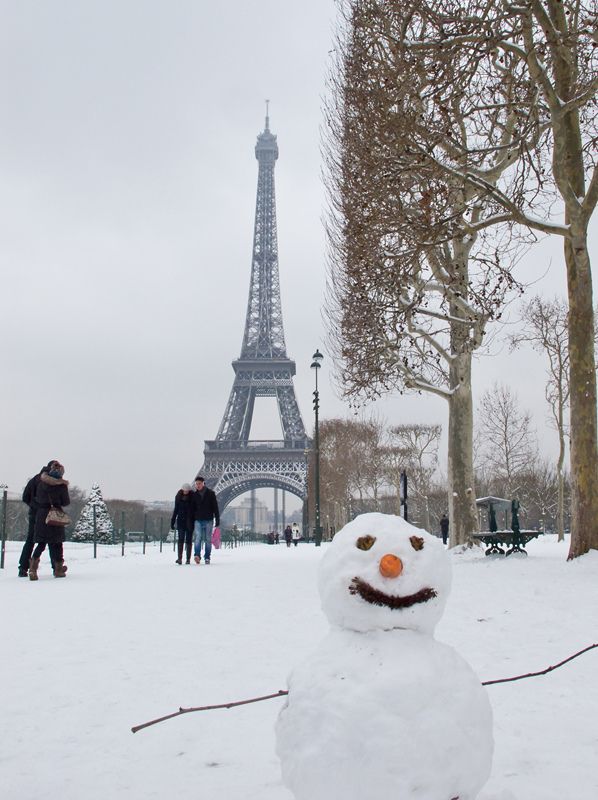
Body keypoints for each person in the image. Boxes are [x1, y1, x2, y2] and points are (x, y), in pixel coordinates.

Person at [29, 462, 70, 580]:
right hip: (55, 514)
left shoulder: (41, 484)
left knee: (41, 543)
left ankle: (32, 568)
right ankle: (58, 569)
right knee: (57, 543)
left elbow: (36, 498)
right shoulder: (61, 486)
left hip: (42, 515)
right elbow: (65, 502)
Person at [18, 460, 57, 577]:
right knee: (52, 540)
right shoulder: (52, 481)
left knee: (30, 540)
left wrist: (34, 506)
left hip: (34, 514)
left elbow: (25, 497)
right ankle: (56, 567)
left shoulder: (35, 479)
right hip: (49, 514)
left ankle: (23, 568)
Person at [191, 476, 220, 565]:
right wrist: (192, 519)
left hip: (208, 520)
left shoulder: (211, 494)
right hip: (198, 519)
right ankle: (197, 555)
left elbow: (215, 507)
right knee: (198, 538)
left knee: (208, 539)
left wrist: (217, 519)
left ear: (203, 483)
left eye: (199, 483)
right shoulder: (194, 495)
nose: (198, 485)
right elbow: (192, 509)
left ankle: (207, 557)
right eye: (196, 484)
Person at [171, 483, 194, 564]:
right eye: (184, 490)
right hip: (181, 521)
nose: (186, 492)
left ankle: (188, 559)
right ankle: (179, 558)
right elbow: (176, 510)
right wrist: (173, 521)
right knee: (181, 539)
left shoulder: (193, 497)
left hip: (189, 521)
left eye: (187, 491)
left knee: (188, 540)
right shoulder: (178, 497)